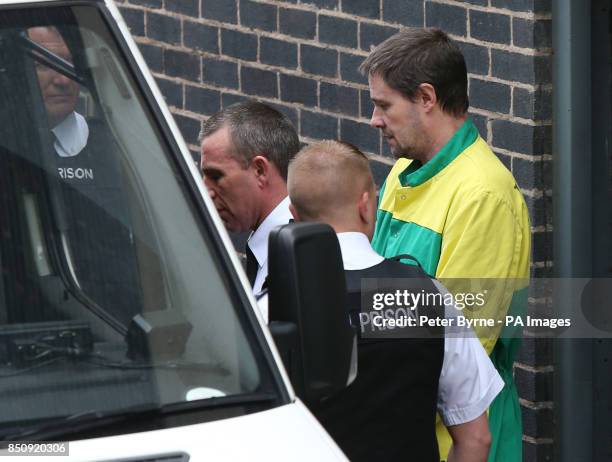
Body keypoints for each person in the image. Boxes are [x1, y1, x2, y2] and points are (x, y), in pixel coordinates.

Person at [360, 28, 531, 461]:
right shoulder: (404, 172)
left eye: (384, 106)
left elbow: (459, 347)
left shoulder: (482, 196)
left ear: (426, 97)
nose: (374, 120)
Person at [287, 140, 504, 462]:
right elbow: (476, 437)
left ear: (293, 214)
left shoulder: (272, 306)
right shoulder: (427, 297)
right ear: (366, 205)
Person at [28, 26, 141, 324]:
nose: (63, 79)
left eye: (68, 64)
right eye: (43, 65)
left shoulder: (116, 148)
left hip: (115, 330)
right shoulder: (10, 145)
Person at [199, 101, 300, 312]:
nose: (206, 192)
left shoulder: (299, 262)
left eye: (216, 176)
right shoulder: (279, 247)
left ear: (260, 171)